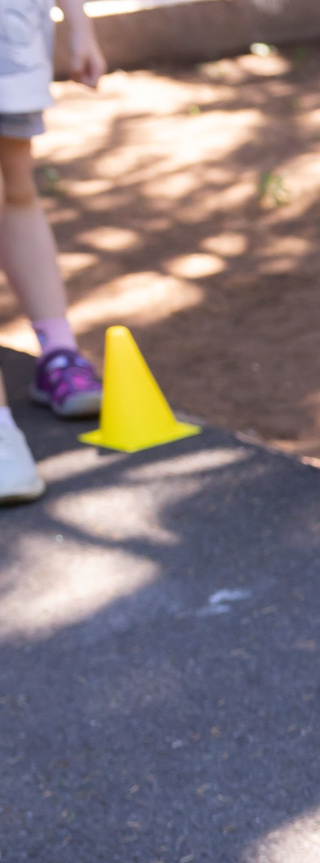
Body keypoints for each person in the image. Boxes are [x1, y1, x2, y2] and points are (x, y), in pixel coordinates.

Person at [0, 0, 104, 501]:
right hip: (16, 35)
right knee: (12, 188)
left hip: (13, 33)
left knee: (15, 185)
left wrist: (79, 21)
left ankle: (56, 352)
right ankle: (55, 363)